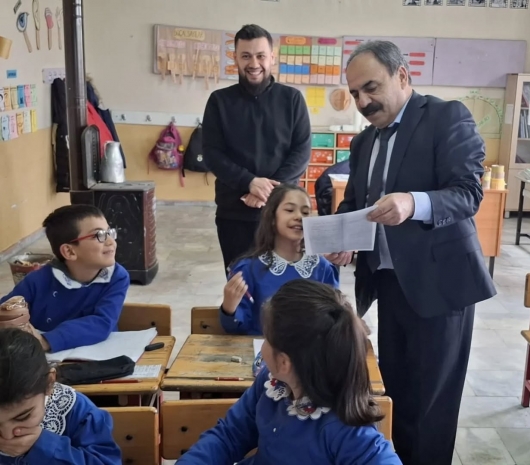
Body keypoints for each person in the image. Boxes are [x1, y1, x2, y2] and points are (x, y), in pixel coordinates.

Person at [325, 41, 496, 465]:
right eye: (355, 93)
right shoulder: (364, 142)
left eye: (371, 88)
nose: (363, 102)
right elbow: (356, 204)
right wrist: (342, 237)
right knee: (395, 390)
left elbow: (467, 193)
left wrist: (413, 203)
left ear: (402, 76)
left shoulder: (445, 117)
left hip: (441, 285)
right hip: (388, 282)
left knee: (431, 404)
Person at [177, 280, 401, 465]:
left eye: (266, 339)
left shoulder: (346, 428)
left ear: (284, 362)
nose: (262, 347)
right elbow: (229, 436)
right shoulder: (271, 383)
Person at [202, 24, 312, 274]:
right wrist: (249, 182)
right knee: (240, 283)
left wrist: (268, 192)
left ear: (272, 57)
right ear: (235, 58)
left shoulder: (292, 100)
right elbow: (212, 154)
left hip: (283, 213)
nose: (254, 63)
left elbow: (301, 152)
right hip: (234, 213)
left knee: (284, 285)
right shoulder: (219, 101)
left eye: (261, 55)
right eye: (246, 56)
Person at [0, 205, 129, 353]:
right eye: (98, 235)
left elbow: (102, 322)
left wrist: (46, 341)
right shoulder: (37, 280)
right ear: (69, 251)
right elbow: (6, 310)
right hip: (41, 358)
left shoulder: (117, 278)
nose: (111, 241)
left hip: (98, 354)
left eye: (109, 232)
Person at [221, 184, 338, 335]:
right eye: (289, 210)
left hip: (311, 349)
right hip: (263, 348)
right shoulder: (248, 269)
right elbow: (236, 329)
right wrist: (229, 308)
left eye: (305, 212)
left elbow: (334, 320)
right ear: (272, 218)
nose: (299, 217)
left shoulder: (323, 268)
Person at [0, 328, 121, 464]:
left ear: (49, 383)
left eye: (23, 417)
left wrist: (43, 446)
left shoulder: (79, 413)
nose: (7, 437)